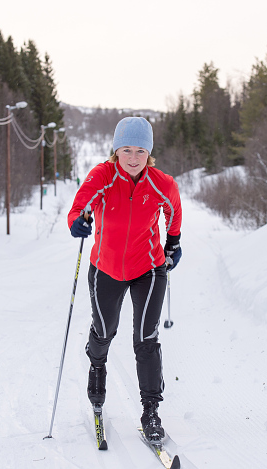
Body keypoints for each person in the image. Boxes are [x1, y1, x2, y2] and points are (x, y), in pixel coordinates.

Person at [67, 117, 182, 441]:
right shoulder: (102, 176)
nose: (133, 158)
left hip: (149, 267)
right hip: (106, 268)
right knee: (104, 331)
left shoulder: (162, 182)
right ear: (116, 151)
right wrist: (78, 222)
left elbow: (173, 211)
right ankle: (97, 367)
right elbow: (81, 206)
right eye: (127, 150)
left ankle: (150, 411)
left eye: (141, 151)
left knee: (146, 339)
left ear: (149, 153)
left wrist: (174, 242)